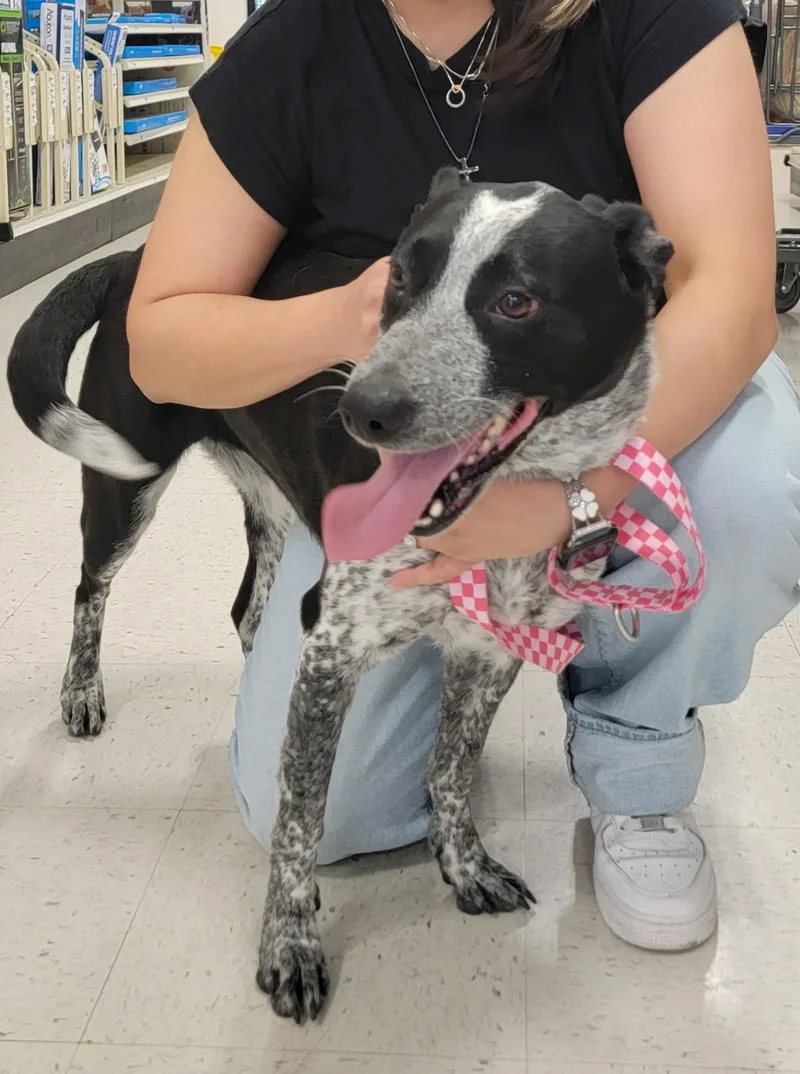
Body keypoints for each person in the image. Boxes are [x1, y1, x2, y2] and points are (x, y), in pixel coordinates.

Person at [127, 0, 800, 952]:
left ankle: (636, 760)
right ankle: (480, 659)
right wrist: (357, 317)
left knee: (745, 493)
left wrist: (576, 501)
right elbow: (158, 344)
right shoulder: (291, 45)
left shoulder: (647, 15)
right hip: (403, 441)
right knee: (346, 820)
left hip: (619, 398)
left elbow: (730, 292)